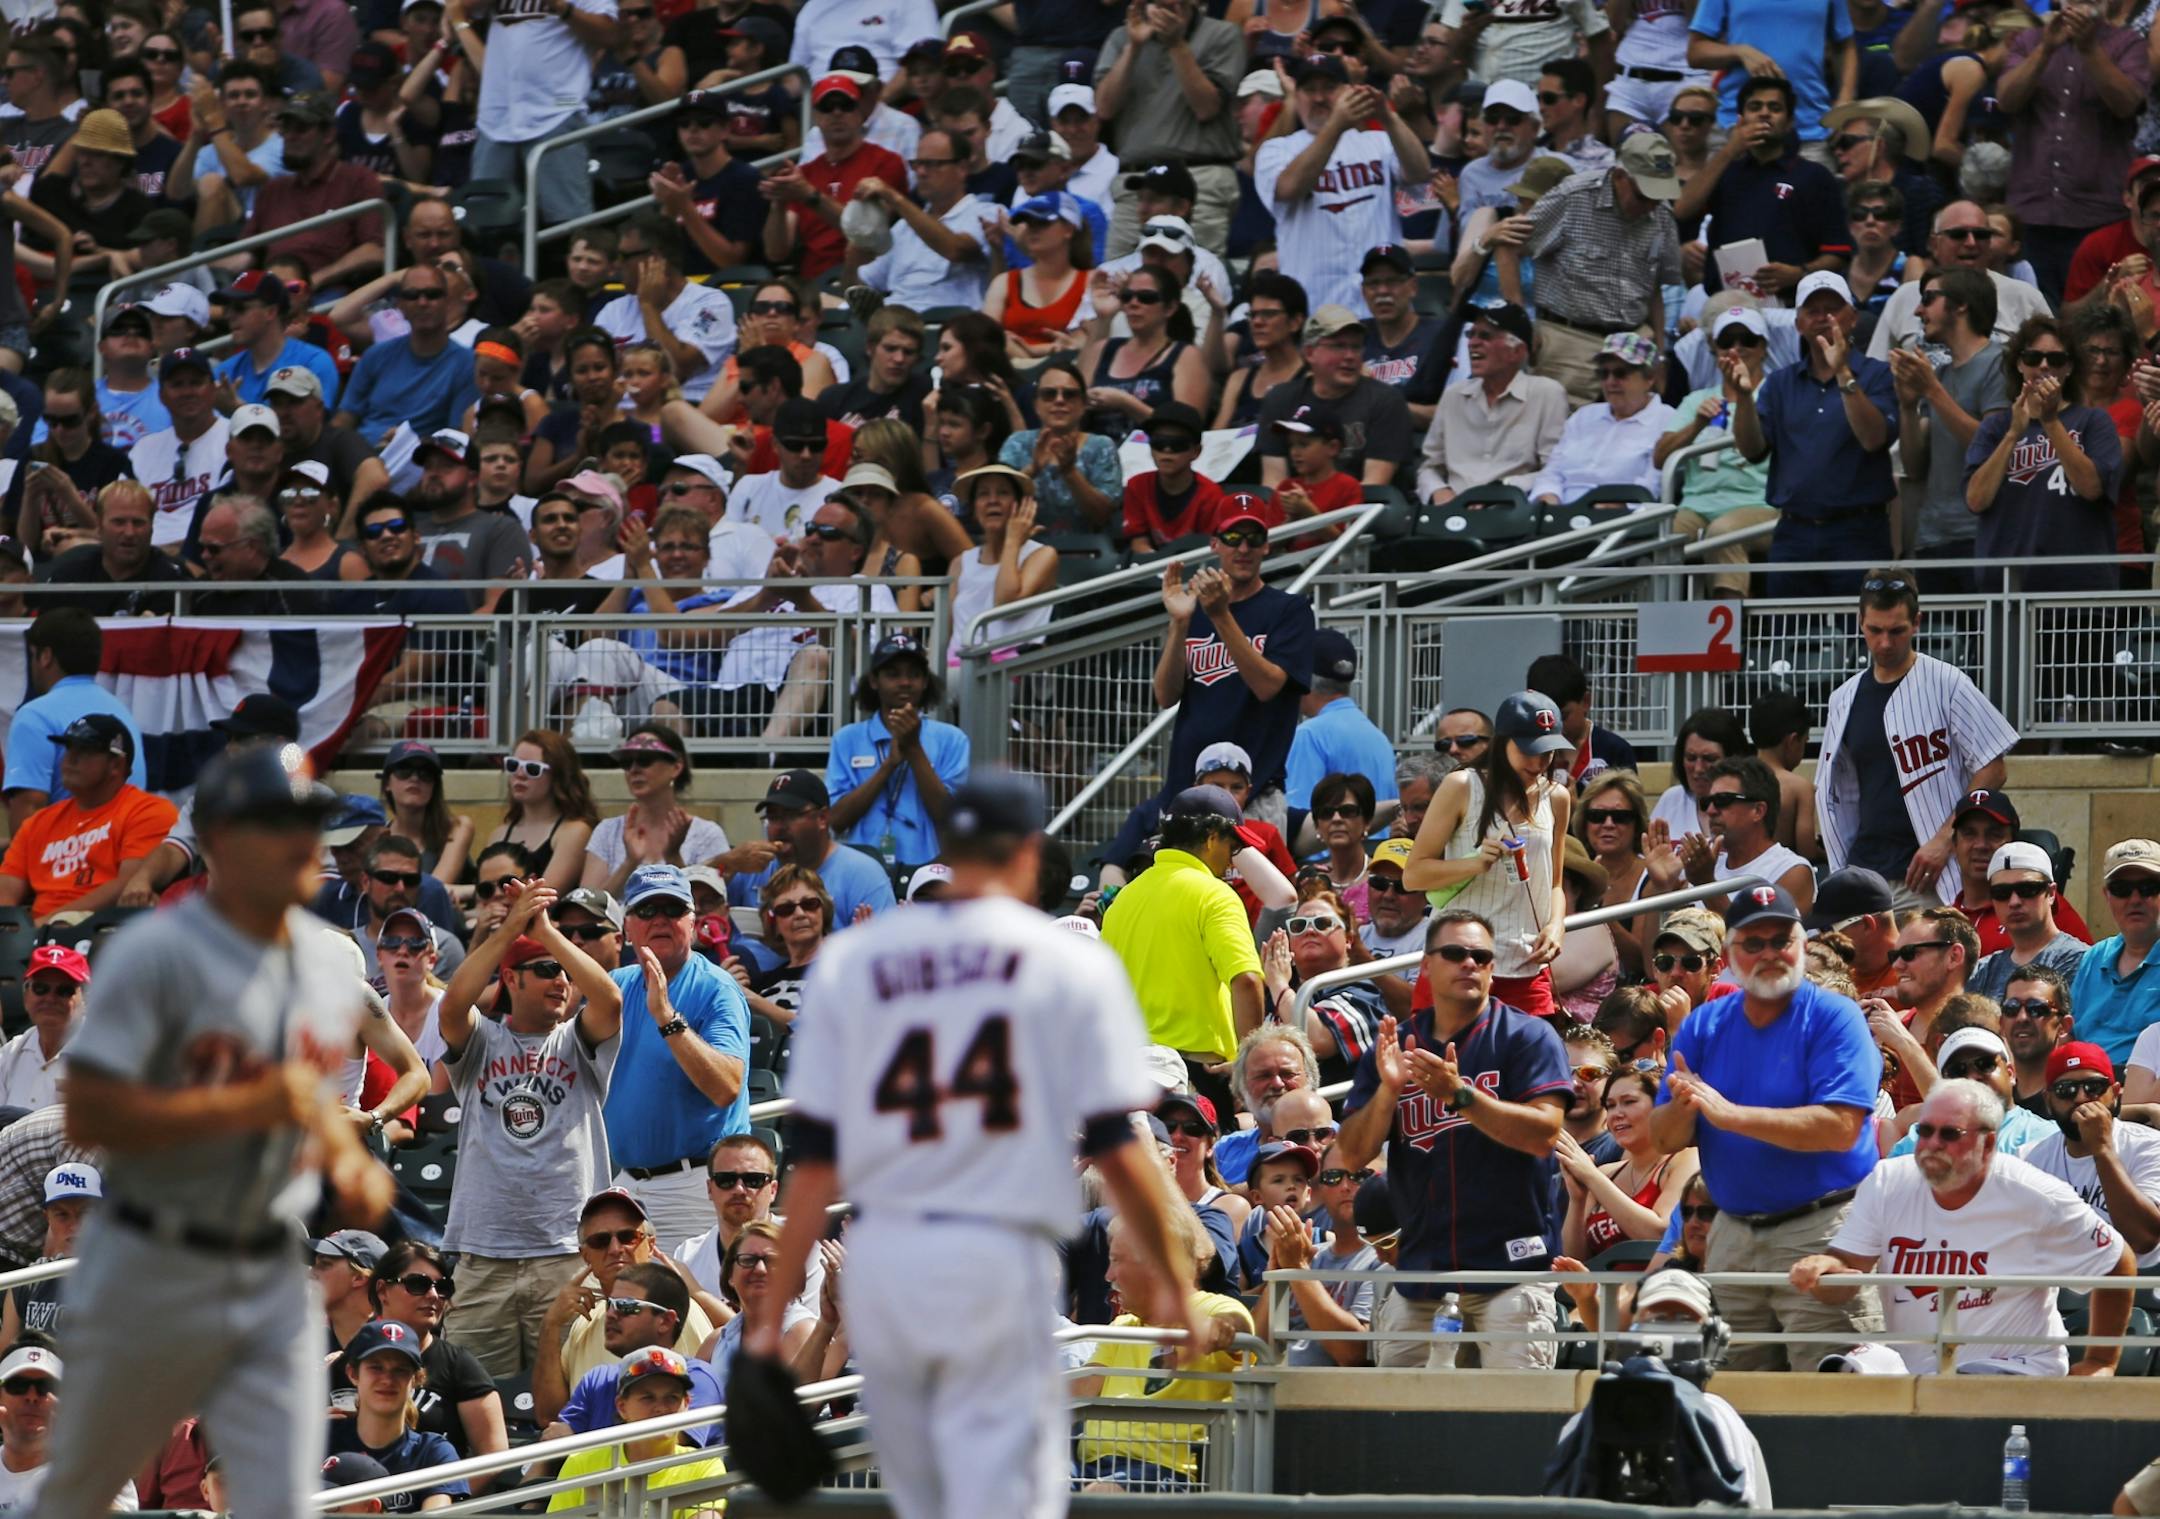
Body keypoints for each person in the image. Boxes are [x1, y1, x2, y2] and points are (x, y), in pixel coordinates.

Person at [748, 772, 1204, 1519]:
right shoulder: (1068, 963)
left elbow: (817, 1165)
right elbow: (1120, 1149)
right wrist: (1180, 1292)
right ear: (1028, 857)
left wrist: (767, 1330)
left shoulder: (861, 960)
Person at [38, 744, 391, 1519]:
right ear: (225, 841)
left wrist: (345, 1155)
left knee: (279, 1501)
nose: (308, 844)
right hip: (150, 1262)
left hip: (267, 1263)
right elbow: (91, 1112)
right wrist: (248, 1105)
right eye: (280, 825)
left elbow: (301, 1097)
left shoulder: (331, 963)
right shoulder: (157, 952)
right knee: (77, 1492)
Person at [1650, 884, 1884, 1371]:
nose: (1770, 953)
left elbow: (1840, 1127)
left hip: (1822, 1231)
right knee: (1736, 1397)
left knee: (1833, 1400)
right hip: (1732, 1235)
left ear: (1801, 943)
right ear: (1731, 955)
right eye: (1753, 943)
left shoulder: (1833, 1017)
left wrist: (1730, 1115)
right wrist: (1685, 1104)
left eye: (1782, 939)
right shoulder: (1703, 1024)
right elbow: (1663, 1139)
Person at [1337, 910, 1570, 1368]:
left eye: (1482, 956)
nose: (1470, 964)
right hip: (1422, 1274)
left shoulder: (1526, 1037)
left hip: (1511, 1271)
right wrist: (1388, 1090)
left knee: (1512, 1422)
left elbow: (1545, 1134)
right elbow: (1353, 1152)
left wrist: (1460, 1095)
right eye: (1455, 953)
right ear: (1426, 964)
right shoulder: (1396, 1045)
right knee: (1402, 1420)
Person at [1793, 1078, 2136, 1375]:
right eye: (1925, 1131)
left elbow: (2117, 1262)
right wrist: (1824, 1272)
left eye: (1949, 1134)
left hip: (2012, 1365)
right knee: (1847, 1372)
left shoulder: (2035, 1194)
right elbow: (1846, 1272)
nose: (1931, 1144)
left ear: (1988, 1143)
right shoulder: (1887, 1181)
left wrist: (2101, 1360)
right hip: (1913, 1368)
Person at [437, 880, 625, 1379]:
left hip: (566, 1255)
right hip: (483, 1258)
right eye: (544, 970)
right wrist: (510, 929)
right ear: (511, 980)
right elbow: (453, 1005)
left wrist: (548, 934)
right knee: (473, 1401)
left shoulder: (577, 1040)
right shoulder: (483, 1041)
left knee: (572, 1394)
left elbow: (608, 997)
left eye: (565, 970)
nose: (561, 980)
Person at [1816, 569, 2018, 906]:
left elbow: (1993, 768)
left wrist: (1945, 839)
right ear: (1860, 623)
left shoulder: (1947, 681)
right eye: (1874, 630)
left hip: (1929, 875)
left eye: (1896, 631)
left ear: (1917, 623)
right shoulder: (1843, 697)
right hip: (1865, 869)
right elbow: (1838, 791)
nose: (1884, 642)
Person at [604, 863, 753, 1251]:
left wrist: (667, 1018)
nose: (660, 920)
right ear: (627, 927)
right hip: (626, 1185)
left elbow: (726, 1087)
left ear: (692, 922)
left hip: (694, 1186)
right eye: (647, 911)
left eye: (672, 910)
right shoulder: (616, 987)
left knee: (700, 1308)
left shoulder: (717, 989)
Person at [1729, 272, 1901, 598]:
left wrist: (1843, 375)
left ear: (1852, 317)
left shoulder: (1878, 375)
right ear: (1798, 324)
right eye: (1812, 310)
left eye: (1832, 309)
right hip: (1794, 531)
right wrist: (1742, 400)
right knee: (1786, 639)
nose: (1823, 318)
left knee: (1861, 640)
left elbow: (1874, 438)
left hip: (1858, 532)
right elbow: (1752, 450)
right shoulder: (1780, 383)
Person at [1403, 690, 1573, 1019]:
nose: (1539, 762)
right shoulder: (1462, 785)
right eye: (1529, 750)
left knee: (1534, 1070)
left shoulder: (1558, 797)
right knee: (1443, 1067)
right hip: (1458, 964)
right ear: (1502, 742)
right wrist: (1475, 863)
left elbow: (1555, 884)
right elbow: (1413, 875)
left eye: (1548, 751)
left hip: (1526, 968)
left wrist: (1556, 926)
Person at [1155, 501, 1317, 826]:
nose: (1244, 548)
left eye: (1254, 537)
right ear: (1215, 543)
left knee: (1252, 880)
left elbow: (1268, 686)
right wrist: (1180, 624)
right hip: (1187, 791)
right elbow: (1165, 695)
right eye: (1233, 537)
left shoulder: (1290, 610)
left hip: (1254, 797)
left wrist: (1220, 615)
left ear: (1267, 545)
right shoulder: (1195, 610)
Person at [1997, 0, 2150, 304]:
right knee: (2036, 317)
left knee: (2097, 318)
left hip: (2097, 214)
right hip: (2032, 213)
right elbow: (2006, 100)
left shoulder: (2128, 43)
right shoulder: (2029, 40)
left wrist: (2089, 48)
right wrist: (2045, 49)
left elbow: (2126, 104)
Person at [1257, 57, 1431, 316]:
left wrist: (1389, 116)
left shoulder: (1379, 141)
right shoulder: (1277, 149)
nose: (1319, 98)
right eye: (1309, 89)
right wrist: (1336, 125)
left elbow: (1419, 174)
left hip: (1381, 312)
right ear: (1297, 95)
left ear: (1348, 91)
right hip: (1315, 308)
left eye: (1328, 87)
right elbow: (1289, 188)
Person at [1519, 138, 1686, 405]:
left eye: (1659, 196)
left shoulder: (1661, 214)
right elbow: (1509, 247)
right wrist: (1521, 326)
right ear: (1620, 176)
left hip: (1633, 344)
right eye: (1644, 196)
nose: (1651, 206)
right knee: (1560, 436)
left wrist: (1661, 356)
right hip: (1569, 341)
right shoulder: (1573, 197)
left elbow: (1654, 287)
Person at [1963, 314, 2123, 592]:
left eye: (2056, 359)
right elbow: (1976, 500)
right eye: (2033, 357)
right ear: (2019, 364)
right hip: (2006, 588)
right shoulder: (1995, 427)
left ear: (2070, 367)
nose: (2045, 366)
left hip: (2079, 588)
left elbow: (2091, 488)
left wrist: (2050, 422)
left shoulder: (2094, 421)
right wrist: (2013, 434)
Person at [0, 716, 177, 924]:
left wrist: (45, 924)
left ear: (116, 765)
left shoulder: (149, 812)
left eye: (85, 751)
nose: (70, 759)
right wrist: (10, 929)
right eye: (69, 749)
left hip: (102, 930)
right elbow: (7, 889)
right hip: (35, 936)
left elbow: (128, 884)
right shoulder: (39, 822)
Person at [3, 610, 146, 828]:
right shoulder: (121, 711)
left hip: (71, 856)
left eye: (32, 655)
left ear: (45, 656)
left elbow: (28, 813)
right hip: (123, 848)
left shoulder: (34, 715)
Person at [1415, 301, 1567, 505]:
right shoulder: (1454, 395)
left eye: (1485, 336)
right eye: (1472, 334)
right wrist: (1439, 491)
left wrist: (1503, 490)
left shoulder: (1547, 393)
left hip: (1513, 510)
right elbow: (1429, 466)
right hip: (1451, 512)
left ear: (1517, 352)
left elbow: (1555, 470)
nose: (1472, 343)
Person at [2024, 1042, 2160, 1265]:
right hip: (2062, 1286)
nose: (2080, 1098)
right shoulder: (2033, 1159)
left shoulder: (2151, 1146)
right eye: (2065, 1089)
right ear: (2048, 1101)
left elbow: (2144, 1239)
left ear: (2115, 1093)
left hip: (2138, 1285)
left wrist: (2102, 1149)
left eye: (2094, 1087)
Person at [544, 1349, 726, 1516]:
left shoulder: (704, 1465)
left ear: (686, 1404)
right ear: (622, 1407)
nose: (661, 1408)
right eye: (648, 1398)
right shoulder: (581, 1463)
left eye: (672, 1398)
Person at [1256, 305, 1414, 489]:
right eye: (1338, 346)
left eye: (1356, 347)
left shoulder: (1385, 400)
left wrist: (1318, 512)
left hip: (1360, 512)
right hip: (1295, 509)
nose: (1350, 356)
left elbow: (1375, 485)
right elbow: (1273, 482)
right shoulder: (1280, 399)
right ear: (1309, 353)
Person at [325, 1320, 471, 1509]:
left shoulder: (433, 1452)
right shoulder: (323, 1440)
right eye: (376, 1367)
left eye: (400, 1370)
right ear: (353, 1373)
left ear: (417, 1378)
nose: (387, 1379)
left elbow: (437, 1513)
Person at [1560, 1064, 1698, 1262]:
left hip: (1658, 1288)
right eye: (1611, 1105)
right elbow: (1574, 1261)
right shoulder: (1606, 1173)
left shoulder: (1686, 1159)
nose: (1617, 1114)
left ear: (1661, 1107)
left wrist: (1592, 1177)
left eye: (1629, 1102)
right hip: (1602, 1292)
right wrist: (1577, 1200)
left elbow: (1661, 1234)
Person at [331, 264, 479, 445]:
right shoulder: (375, 356)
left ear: (446, 302)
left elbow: (457, 437)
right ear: (400, 305)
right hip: (363, 455)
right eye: (412, 296)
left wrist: (408, 443)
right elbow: (345, 419)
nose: (422, 302)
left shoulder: (465, 363)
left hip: (422, 461)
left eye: (432, 295)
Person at [581, 726, 731, 902]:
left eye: (645, 760)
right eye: (627, 762)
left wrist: (673, 855)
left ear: (676, 767)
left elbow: (703, 905)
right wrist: (629, 863)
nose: (634, 769)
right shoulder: (607, 831)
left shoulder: (707, 834)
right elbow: (585, 905)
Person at [728, 768, 897, 924]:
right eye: (773, 817)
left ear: (822, 818)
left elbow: (886, 948)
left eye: (791, 815)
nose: (780, 826)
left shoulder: (863, 874)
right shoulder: (751, 865)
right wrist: (727, 862)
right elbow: (703, 906)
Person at [1654, 756, 1815, 915]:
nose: (1710, 811)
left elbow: (1757, 938)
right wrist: (1662, 886)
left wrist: (1706, 884)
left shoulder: (1791, 870)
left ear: (1758, 811)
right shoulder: (1707, 865)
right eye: (1706, 802)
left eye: (1722, 800)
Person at [1285, 630, 1398, 833]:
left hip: (1330, 860)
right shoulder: (1378, 737)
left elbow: (1301, 821)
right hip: (1377, 858)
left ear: (1304, 679)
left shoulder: (1308, 735)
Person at [2070, 839, 2160, 1069]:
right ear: (2106, 895)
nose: (2135, 899)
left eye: (2149, 888)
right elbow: (2070, 1034)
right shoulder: (2094, 957)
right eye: (2122, 890)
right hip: (2085, 1086)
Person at [0, 1161, 98, 1356]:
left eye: (85, 1214)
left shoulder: (121, 1278)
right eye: (62, 1215)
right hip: (37, 1385)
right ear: (48, 1218)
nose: (75, 1226)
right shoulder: (27, 1282)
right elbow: (4, 1361)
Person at [1971, 843, 2090, 1000]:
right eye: (2002, 893)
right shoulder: (1983, 969)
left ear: (2051, 893)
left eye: (2027, 890)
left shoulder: (2081, 960)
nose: (2014, 902)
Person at [0, 946, 84, 1111]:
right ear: (26, 996)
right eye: (40, 988)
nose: (50, 998)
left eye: (64, 990)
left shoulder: (103, 1055)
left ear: (83, 998)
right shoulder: (10, 1053)